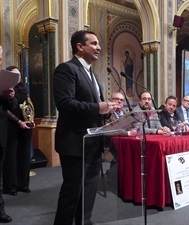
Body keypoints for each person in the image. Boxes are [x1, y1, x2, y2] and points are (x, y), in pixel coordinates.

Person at [52, 30, 117, 225]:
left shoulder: (91, 73)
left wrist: (107, 110)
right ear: (80, 46)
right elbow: (64, 103)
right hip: (74, 142)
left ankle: (84, 220)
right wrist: (99, 107)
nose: (98, 48)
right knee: (72, 192)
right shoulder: (66, 69)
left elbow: (94, 107)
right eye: (94, 43)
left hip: (93, 141)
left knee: (89, 188)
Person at [2, 66, 35, 196]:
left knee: (24, 156)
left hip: (26, 127)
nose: (18, 77)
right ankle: (11, 186)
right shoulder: (5, 89)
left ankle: (23, 184)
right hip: (12, 126)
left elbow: (28, 106)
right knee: (11, 157)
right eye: (15, 75)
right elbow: (7, 109)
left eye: (19, 75)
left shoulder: (23, 89)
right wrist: (19, 122)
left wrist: (30, 120)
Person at [0, 45, 13, 223]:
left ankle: (0, 209)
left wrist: (10, 97)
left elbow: (9, 107)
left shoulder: (3, 77)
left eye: (0, 57)